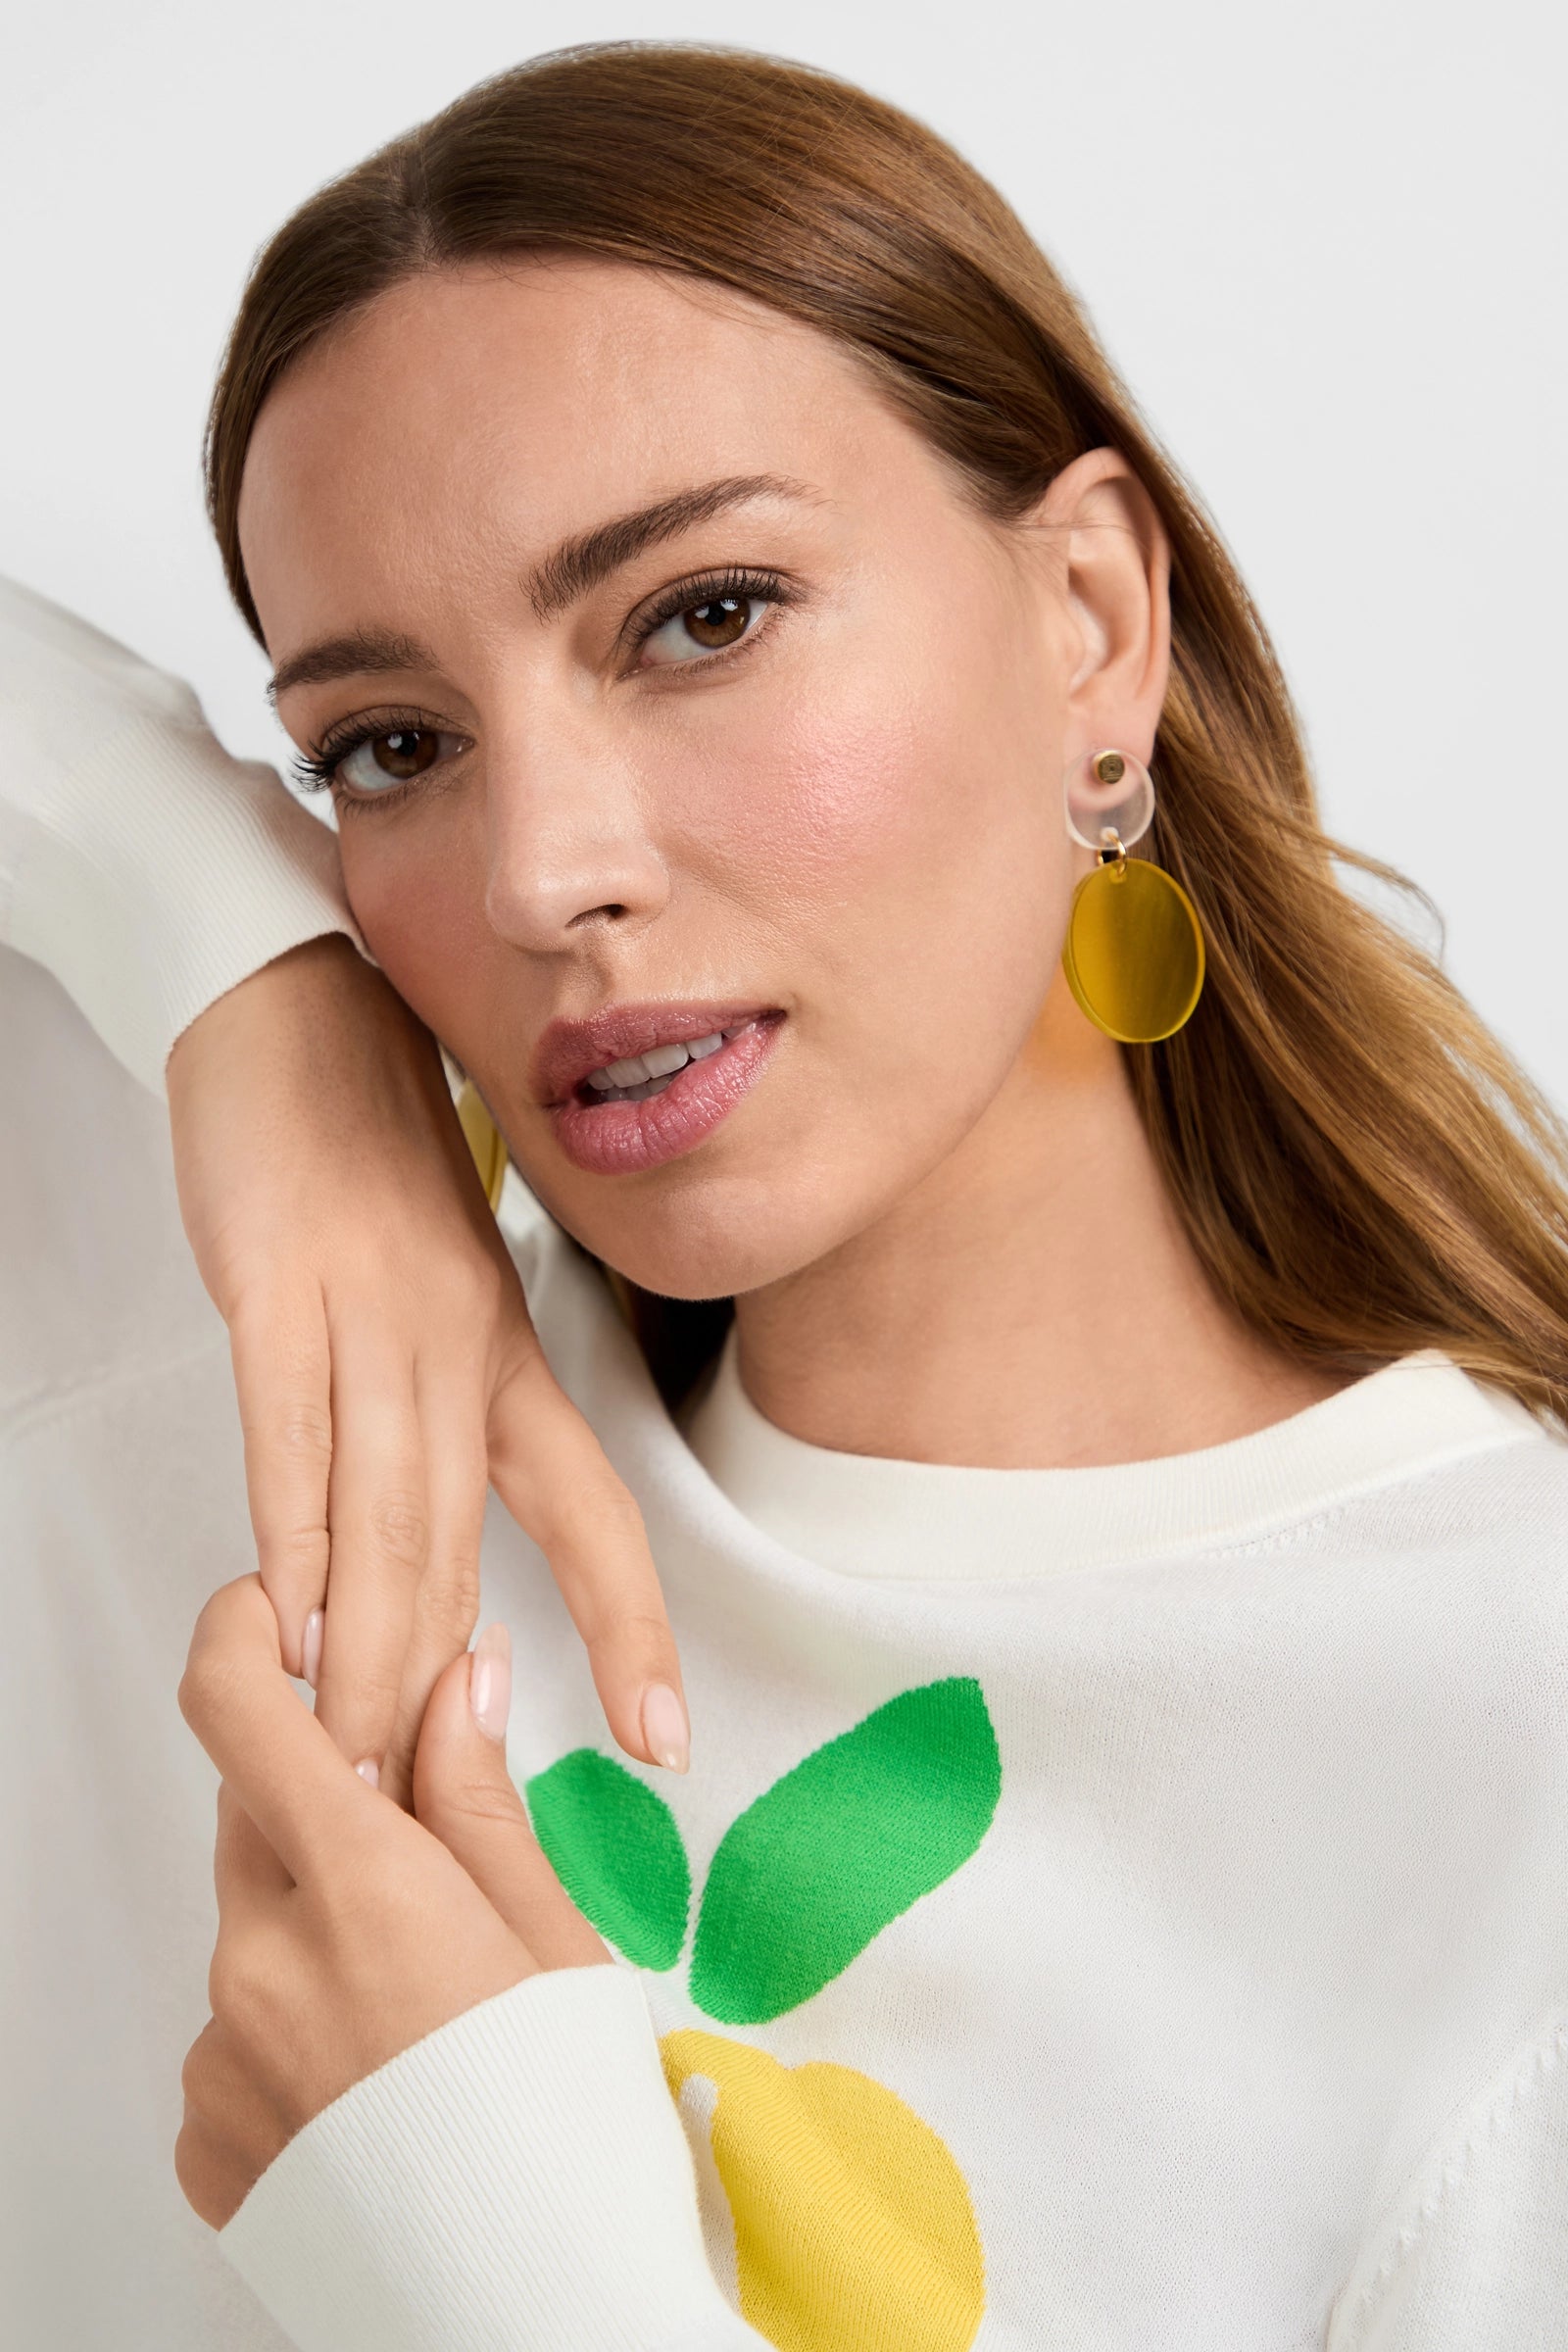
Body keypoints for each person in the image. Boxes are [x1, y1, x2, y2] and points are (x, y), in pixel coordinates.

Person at [3, 39, 1566, 2352]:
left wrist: (494, 2264)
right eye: (387, 747)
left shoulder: (1498, 1765)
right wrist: (242, 976)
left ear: (1089, 623)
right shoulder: (224, 1395)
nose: (537, 875)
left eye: (701, 616)